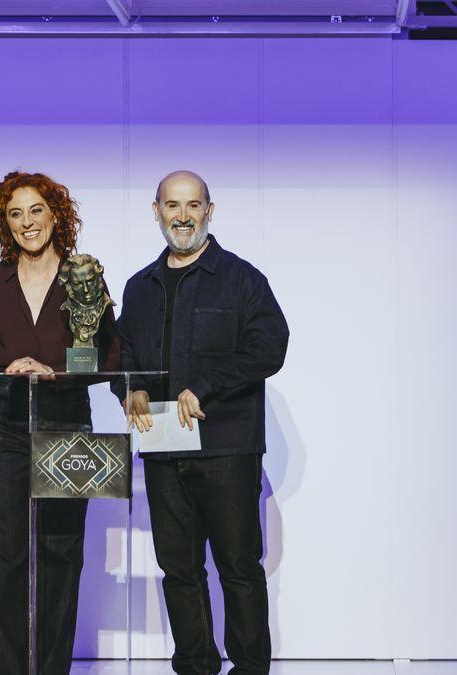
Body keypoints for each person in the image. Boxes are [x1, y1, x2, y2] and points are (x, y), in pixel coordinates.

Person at [114, 170, 289, 675]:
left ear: (210, 211)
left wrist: (206, 385)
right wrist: (132, 387)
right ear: (156, 211)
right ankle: (194, 664)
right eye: (172, 205)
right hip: (164, 448)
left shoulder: (241, 278)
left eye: (193, 205)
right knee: (179, 570)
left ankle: (250, 667)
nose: (183, 216)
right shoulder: (140, 287)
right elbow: (121, 351)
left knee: (237, 567)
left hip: (227, 449)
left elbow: (269, 347)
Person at [0, 170, 119, 675]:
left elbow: (107, 359)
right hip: (4, 421)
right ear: (5, 224)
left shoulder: (84, 276)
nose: (28, 223)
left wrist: (58, 371)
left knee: (60, 550)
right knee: (4, 554)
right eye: (15, 214)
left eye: (36, 210)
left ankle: (51, 670)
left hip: (67, 419)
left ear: (56, 214)